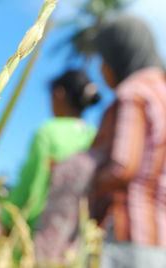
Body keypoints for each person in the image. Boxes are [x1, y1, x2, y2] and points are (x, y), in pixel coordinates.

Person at [88, 15, 166, 268]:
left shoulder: (133, 93)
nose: (100, 69)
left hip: (128, 233)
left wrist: (83, 187)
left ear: (119, 51)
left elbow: (122, 166)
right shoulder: (161, 92)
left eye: (103, 58)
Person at [0, 70, 100, 233]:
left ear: (58, 94)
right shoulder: (95, 136)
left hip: (39, 228)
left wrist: (8, 219)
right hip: (76, 234)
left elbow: (31, 183)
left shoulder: (49, 132)